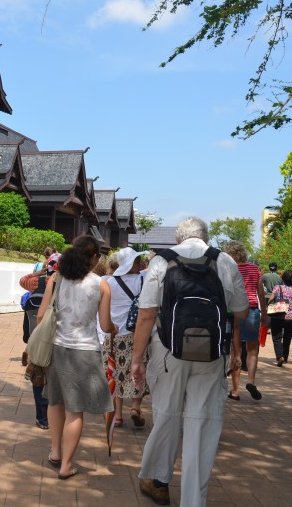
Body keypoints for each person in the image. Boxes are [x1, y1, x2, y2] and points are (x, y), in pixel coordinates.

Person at [130, 217, 248, 506]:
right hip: (211, 353)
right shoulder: (225, 262)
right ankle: (193, 500)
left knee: (167, 414)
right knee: (202, 422)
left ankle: (158, 480)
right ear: (206, 237)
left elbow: (146, 315)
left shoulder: (161, 261)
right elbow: (241, 312)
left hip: (168, 351)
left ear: (178, 240)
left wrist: (136, 360)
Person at [38, 235, 115, 480]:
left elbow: (41, 316)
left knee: (55, 401)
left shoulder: (55, 279)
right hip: (85, 351)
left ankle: (55, 452)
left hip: (58, 348)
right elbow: (104, 324)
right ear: (94, 258)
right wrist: (114, 328)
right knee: (75, 410)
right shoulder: (101, 285)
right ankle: (66, 465)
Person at [104, 247, 148, 427]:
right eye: (138, 261)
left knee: (117, 373)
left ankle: (119, 415)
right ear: (132, 264)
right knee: (137, 370)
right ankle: (135, 407)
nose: (141, 263)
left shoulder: (108, 282)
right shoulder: (142, 280)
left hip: (114, 334)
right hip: (136, 334)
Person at [224, 241, 268, 401]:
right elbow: (261, 294)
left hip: (234, 311)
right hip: (252, 310)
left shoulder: (229, 269)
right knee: (252, 349)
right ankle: (251, 381)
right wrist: (264, 315)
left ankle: (235, 391)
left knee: (236, 351)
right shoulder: (255, 269)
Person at [19, 270, 51, 430]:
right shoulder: (69, 282)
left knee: (38, 375)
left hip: (38, 337)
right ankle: (56, 417)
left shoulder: (37, 281)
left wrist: (40, 272)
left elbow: (22, 280)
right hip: (61, 339)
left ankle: (43, 418)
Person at [268, 270, 292, 366]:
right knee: (287, 337)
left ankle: (279, 356)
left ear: (283, 278)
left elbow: (270, 299)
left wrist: (271, 303)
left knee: (276, 337)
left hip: (278, 314)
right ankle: (285, 357)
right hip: (290, 317)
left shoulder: (278, 288)